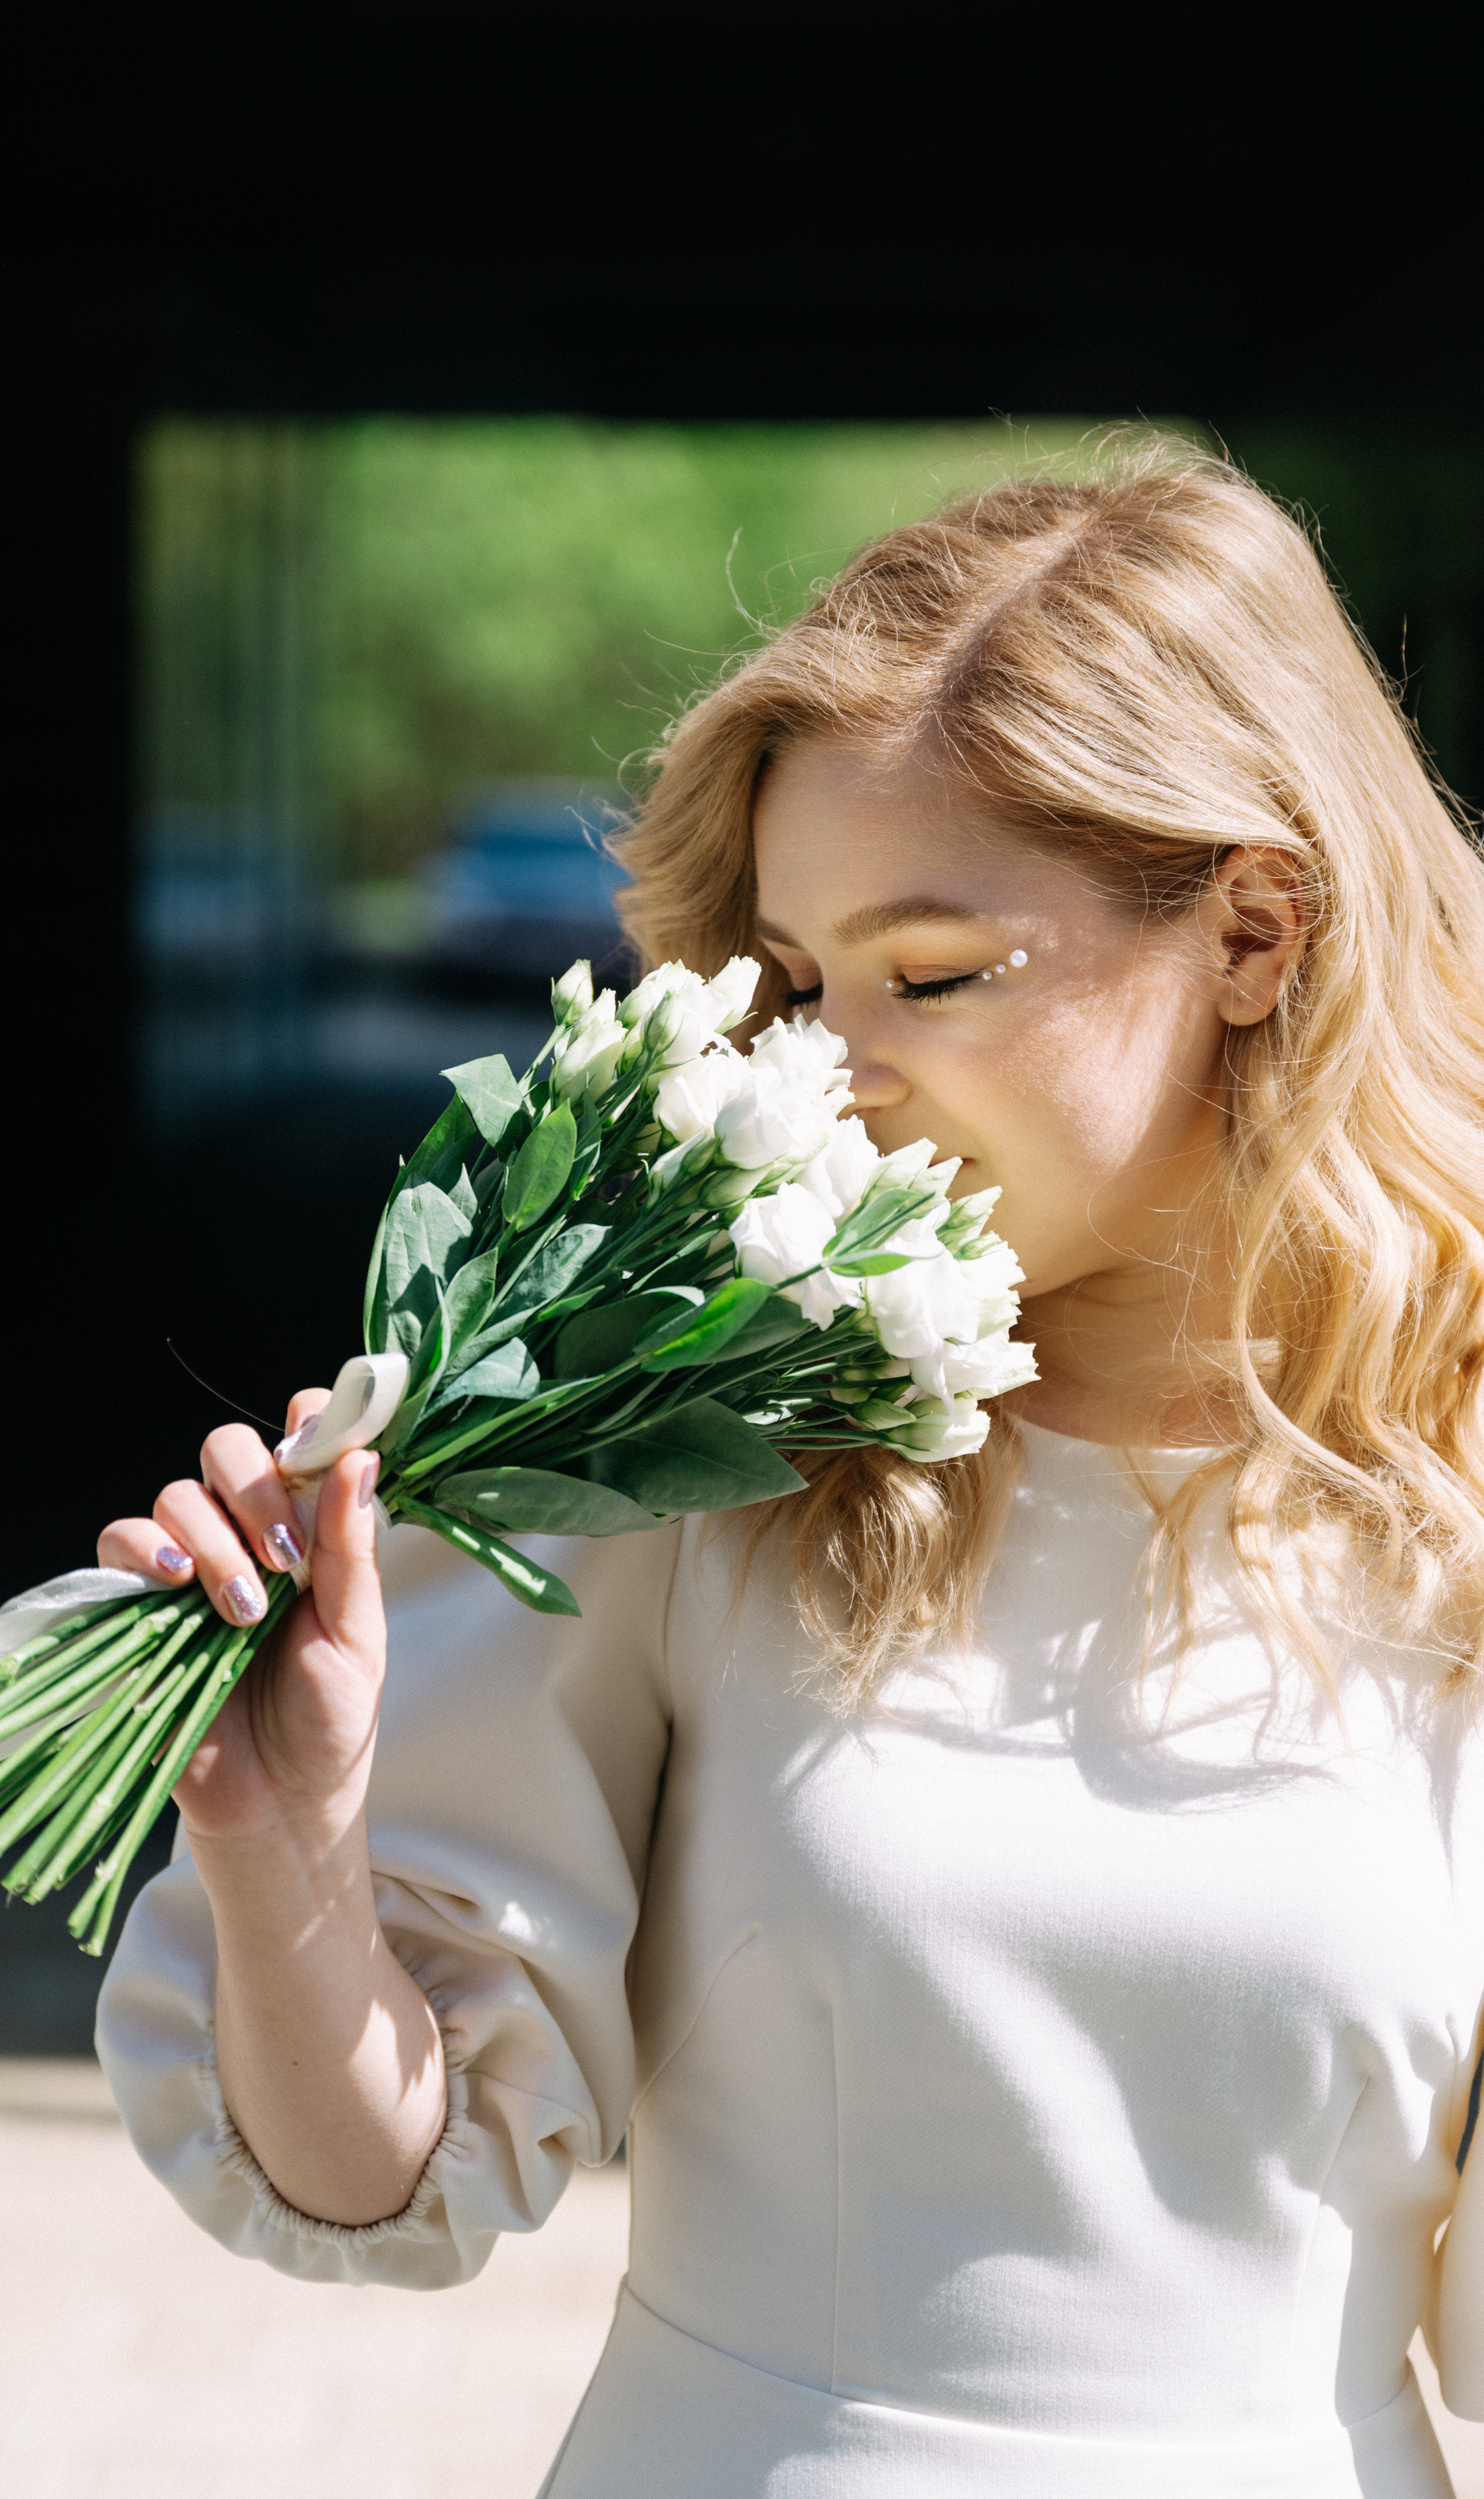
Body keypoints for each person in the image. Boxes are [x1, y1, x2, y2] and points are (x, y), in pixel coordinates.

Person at [93, 444, 1484, 2497]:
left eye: (932, 977)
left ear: (1257, 932)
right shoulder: (692, 1442)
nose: (833, 1074)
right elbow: (376, 2185)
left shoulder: (1455, 1499)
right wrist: (278, 1852)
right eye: (803, 985)